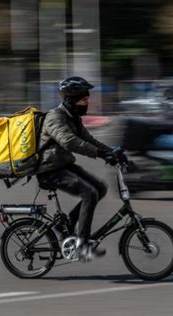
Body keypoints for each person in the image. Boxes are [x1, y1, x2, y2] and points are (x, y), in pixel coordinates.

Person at [36, 76, 120, 262]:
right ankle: (82, 246)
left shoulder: (73, 118)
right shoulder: (55, 117)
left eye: (87, 99)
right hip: (49, 170)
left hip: (63, 165)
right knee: (89, 193)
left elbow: (88, 139)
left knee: (100, 188)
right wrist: (100, 154)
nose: (87, 103)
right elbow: (69, 141)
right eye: (84, 100)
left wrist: (110, 151)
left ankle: (65, 225)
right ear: (72, 99)